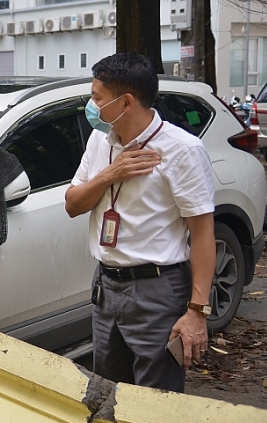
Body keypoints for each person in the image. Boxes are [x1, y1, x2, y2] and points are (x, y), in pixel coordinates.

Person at [65, 53, 215, 393]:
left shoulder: (183, 150)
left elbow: (203, 235)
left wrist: (196, 312)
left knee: (155, 400)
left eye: (97, 98)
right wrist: (109, 175)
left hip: (157, 290)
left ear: (126, 102)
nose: (91, 105)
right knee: (107, 391)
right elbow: (73, 204)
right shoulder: (100, 140)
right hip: (106, 286)